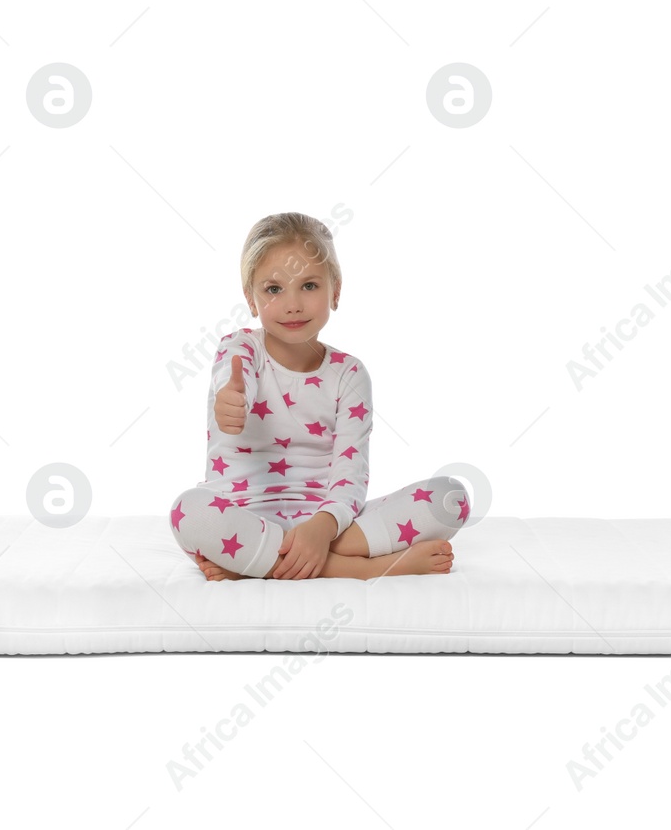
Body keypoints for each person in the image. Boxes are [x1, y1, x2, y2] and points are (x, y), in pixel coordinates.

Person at [167, 212, 471, 580]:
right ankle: (363, 569)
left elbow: (351, 471)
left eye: (309, 286)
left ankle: (255, 565)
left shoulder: (350, 374)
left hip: (330, 524)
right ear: (251, 298)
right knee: (188, 512)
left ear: (335, 290)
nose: (292, 304)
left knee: (450, 498)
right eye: (274, 289)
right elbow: (232, 382)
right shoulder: (238, 349)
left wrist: (321, 527)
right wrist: (230, 399)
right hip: (242, 516)